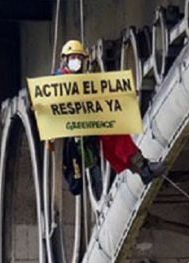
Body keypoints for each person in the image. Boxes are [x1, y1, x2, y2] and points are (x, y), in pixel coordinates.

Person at [54, 39, 164, 193]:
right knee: (112, 134)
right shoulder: (57, 80)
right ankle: (143, 168)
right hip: (73, 132)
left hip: (88, 125)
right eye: (73, 58)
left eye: (79, 58)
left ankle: (142, 169)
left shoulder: (86, 81)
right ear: (65, 60)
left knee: (114, 136)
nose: (76, 61)